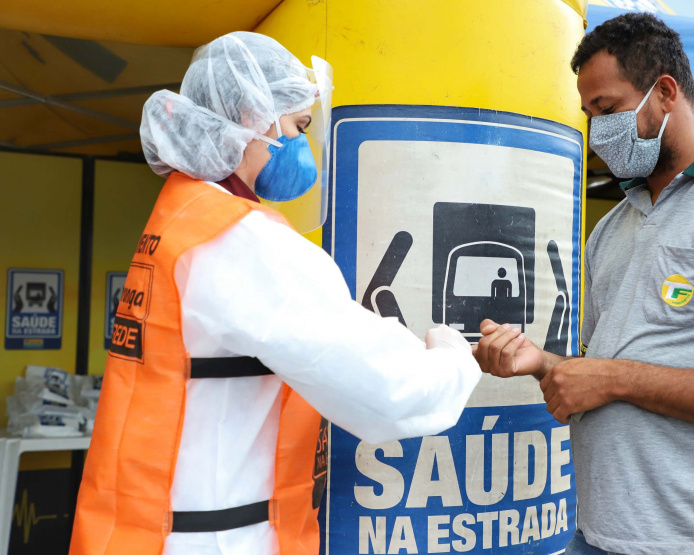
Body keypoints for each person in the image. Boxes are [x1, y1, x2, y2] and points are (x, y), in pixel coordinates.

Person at [70, 32, 481, 555]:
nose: (303, 145)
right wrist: (452, 356)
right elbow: (387, 393)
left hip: (153, 532)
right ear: (248, 114)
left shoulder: (184, 217)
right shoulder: (242, 241)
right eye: (296, 126)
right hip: (221, 539)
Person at [474, 13, 694, 555]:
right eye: (588, 113)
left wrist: (616, 377)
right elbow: (607, 371)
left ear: (665, 92)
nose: (597, 131)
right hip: (600, 534)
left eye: (608, 108)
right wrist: (542, 362)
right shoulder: (612, 228)